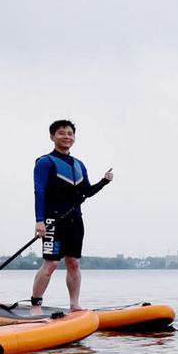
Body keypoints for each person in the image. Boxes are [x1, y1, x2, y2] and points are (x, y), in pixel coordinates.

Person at [26, 119, 112, 316]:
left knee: (73, 263)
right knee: (51, 264)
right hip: (52, 221)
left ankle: (74, 304)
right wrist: (40, 220)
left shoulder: (78, 164)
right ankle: (36, 305)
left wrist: (104, 182)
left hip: (75, 220)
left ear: (74, 138)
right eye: (61, 133)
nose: (66, 137)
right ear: (52, 137)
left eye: (70, 133)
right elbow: (39, 191)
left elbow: (87, 192)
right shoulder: (45, 162)